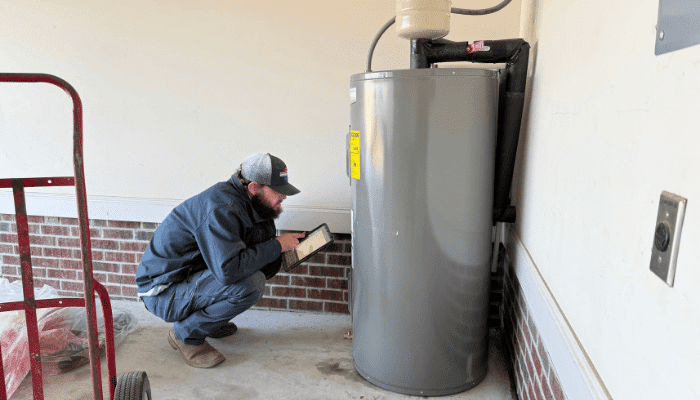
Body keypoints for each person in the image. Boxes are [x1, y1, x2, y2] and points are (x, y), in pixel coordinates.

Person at [135, 153, 304, 368]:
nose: (284, 197)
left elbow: (254, 252)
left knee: (257, 269)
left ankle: (208, 322)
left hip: (189, 278)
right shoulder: (221, 208)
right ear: (254, 188)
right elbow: (229, 271)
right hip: (163, 291)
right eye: (278, 191)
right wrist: (278, 245)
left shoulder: (250, 205)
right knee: (250, 285)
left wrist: (282, 248)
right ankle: (186, 335)